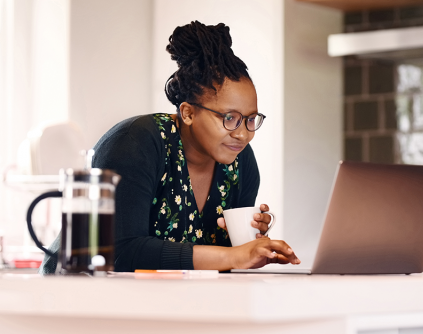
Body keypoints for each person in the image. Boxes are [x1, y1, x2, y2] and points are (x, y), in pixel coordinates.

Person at [40, 21, 300, 274]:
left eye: (250, 119)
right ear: (188, 113)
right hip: (72, 299)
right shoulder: (135, 143)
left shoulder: (240, 162)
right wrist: (233, 255)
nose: (243, 134)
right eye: (229, 118)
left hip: (163, 304)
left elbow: (222, 266)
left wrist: (247, 244)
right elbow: (120, 252)